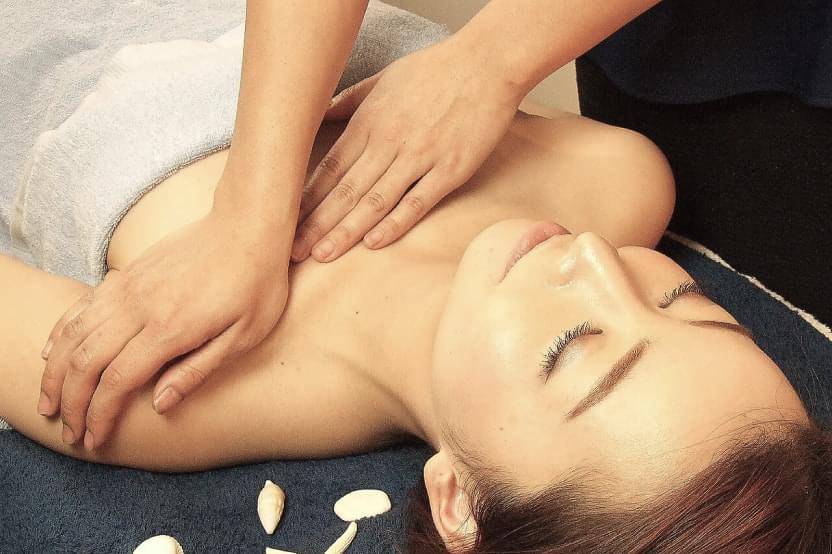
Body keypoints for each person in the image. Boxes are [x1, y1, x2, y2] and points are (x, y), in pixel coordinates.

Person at [3, 110, 830, 552]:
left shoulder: (164, 390)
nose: (593, 260)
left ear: (459, 501)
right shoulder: (618, 181)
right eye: (681, 296)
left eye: (573, 346)